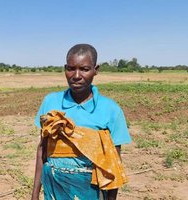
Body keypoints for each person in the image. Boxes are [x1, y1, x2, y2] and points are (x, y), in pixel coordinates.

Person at [31, 44, 132, 200]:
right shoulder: (50, 102)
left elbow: (114, 164)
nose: (76, 75)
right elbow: (42, 150)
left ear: (95, 70)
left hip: (90, 190)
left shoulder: (111, 110)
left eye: (84, 69)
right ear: (65, 68)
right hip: (54, 188)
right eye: (71, 68)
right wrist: (35, 195)